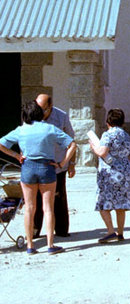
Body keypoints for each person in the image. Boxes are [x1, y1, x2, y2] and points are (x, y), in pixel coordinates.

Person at [0, 100, 76, 255]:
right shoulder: (50, 129)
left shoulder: (21, 130)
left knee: (29, 208)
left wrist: (16, 155)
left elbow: (1, 144)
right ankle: (50, 244)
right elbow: (72, 144)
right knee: (48, 208)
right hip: (47, 168)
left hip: (28, 168)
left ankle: (30, 245)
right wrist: (62, 163)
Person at [87, 108, 130, 243]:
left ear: (108, 121)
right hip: (124, 173)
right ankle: (120, 232)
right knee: (120, 205)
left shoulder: (108, 135)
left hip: (109, 174)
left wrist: (93, 147)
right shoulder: (127, 136)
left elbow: (102, 151)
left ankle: (110, 231)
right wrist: (125, 170)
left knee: (103, 202)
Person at [32, 94, 75, 238]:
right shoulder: (31, 115)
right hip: (36, 165)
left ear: (49, 107)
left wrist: (71, 164)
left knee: (58, 198)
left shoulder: (61, 117)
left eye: (42, 109)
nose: (39, 112)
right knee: (35, 199)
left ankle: (61, 230)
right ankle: (34, 230)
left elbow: (71, 141)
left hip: (57, 165)